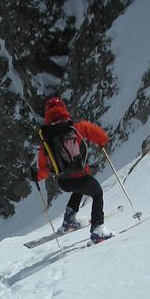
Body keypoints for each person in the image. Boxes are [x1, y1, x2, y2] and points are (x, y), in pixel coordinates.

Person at [35, 96, 114, 243]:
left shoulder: (46, 139)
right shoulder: (76, 128)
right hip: (79, 177)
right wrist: (103, 142)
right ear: (64, 109)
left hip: (63, 182)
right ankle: (98, 230)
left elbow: (44, 170)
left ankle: (69, 220)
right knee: (97, 193)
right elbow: (101, 136)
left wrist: (36, 176)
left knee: (79, 188)